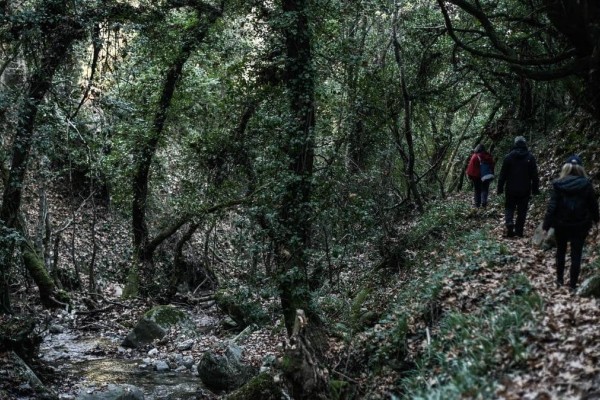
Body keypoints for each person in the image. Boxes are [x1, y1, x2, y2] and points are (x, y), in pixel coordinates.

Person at [542, 155, 599, 291]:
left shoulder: (558, 184)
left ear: (565, 169)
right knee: (576, 254)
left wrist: (546, 226)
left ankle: (559, 280)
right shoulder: (586, 185)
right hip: (580, 225)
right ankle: (573, 285)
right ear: (580, 169)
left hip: (561, 224)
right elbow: (593, 205)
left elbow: (552, 207)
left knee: (560, 251)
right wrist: (597, 221)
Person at [497, 136, 540, 237]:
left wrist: (500, 188)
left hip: (510, 188)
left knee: (509, 207)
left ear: (515, 144)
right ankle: (519, 232)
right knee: (522, 210)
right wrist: (535, 190)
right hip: (525, 189)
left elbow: (502, 175)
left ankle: (509, 222)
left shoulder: (508, 157)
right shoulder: (530, 157)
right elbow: (535, 176)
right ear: (525, 144)